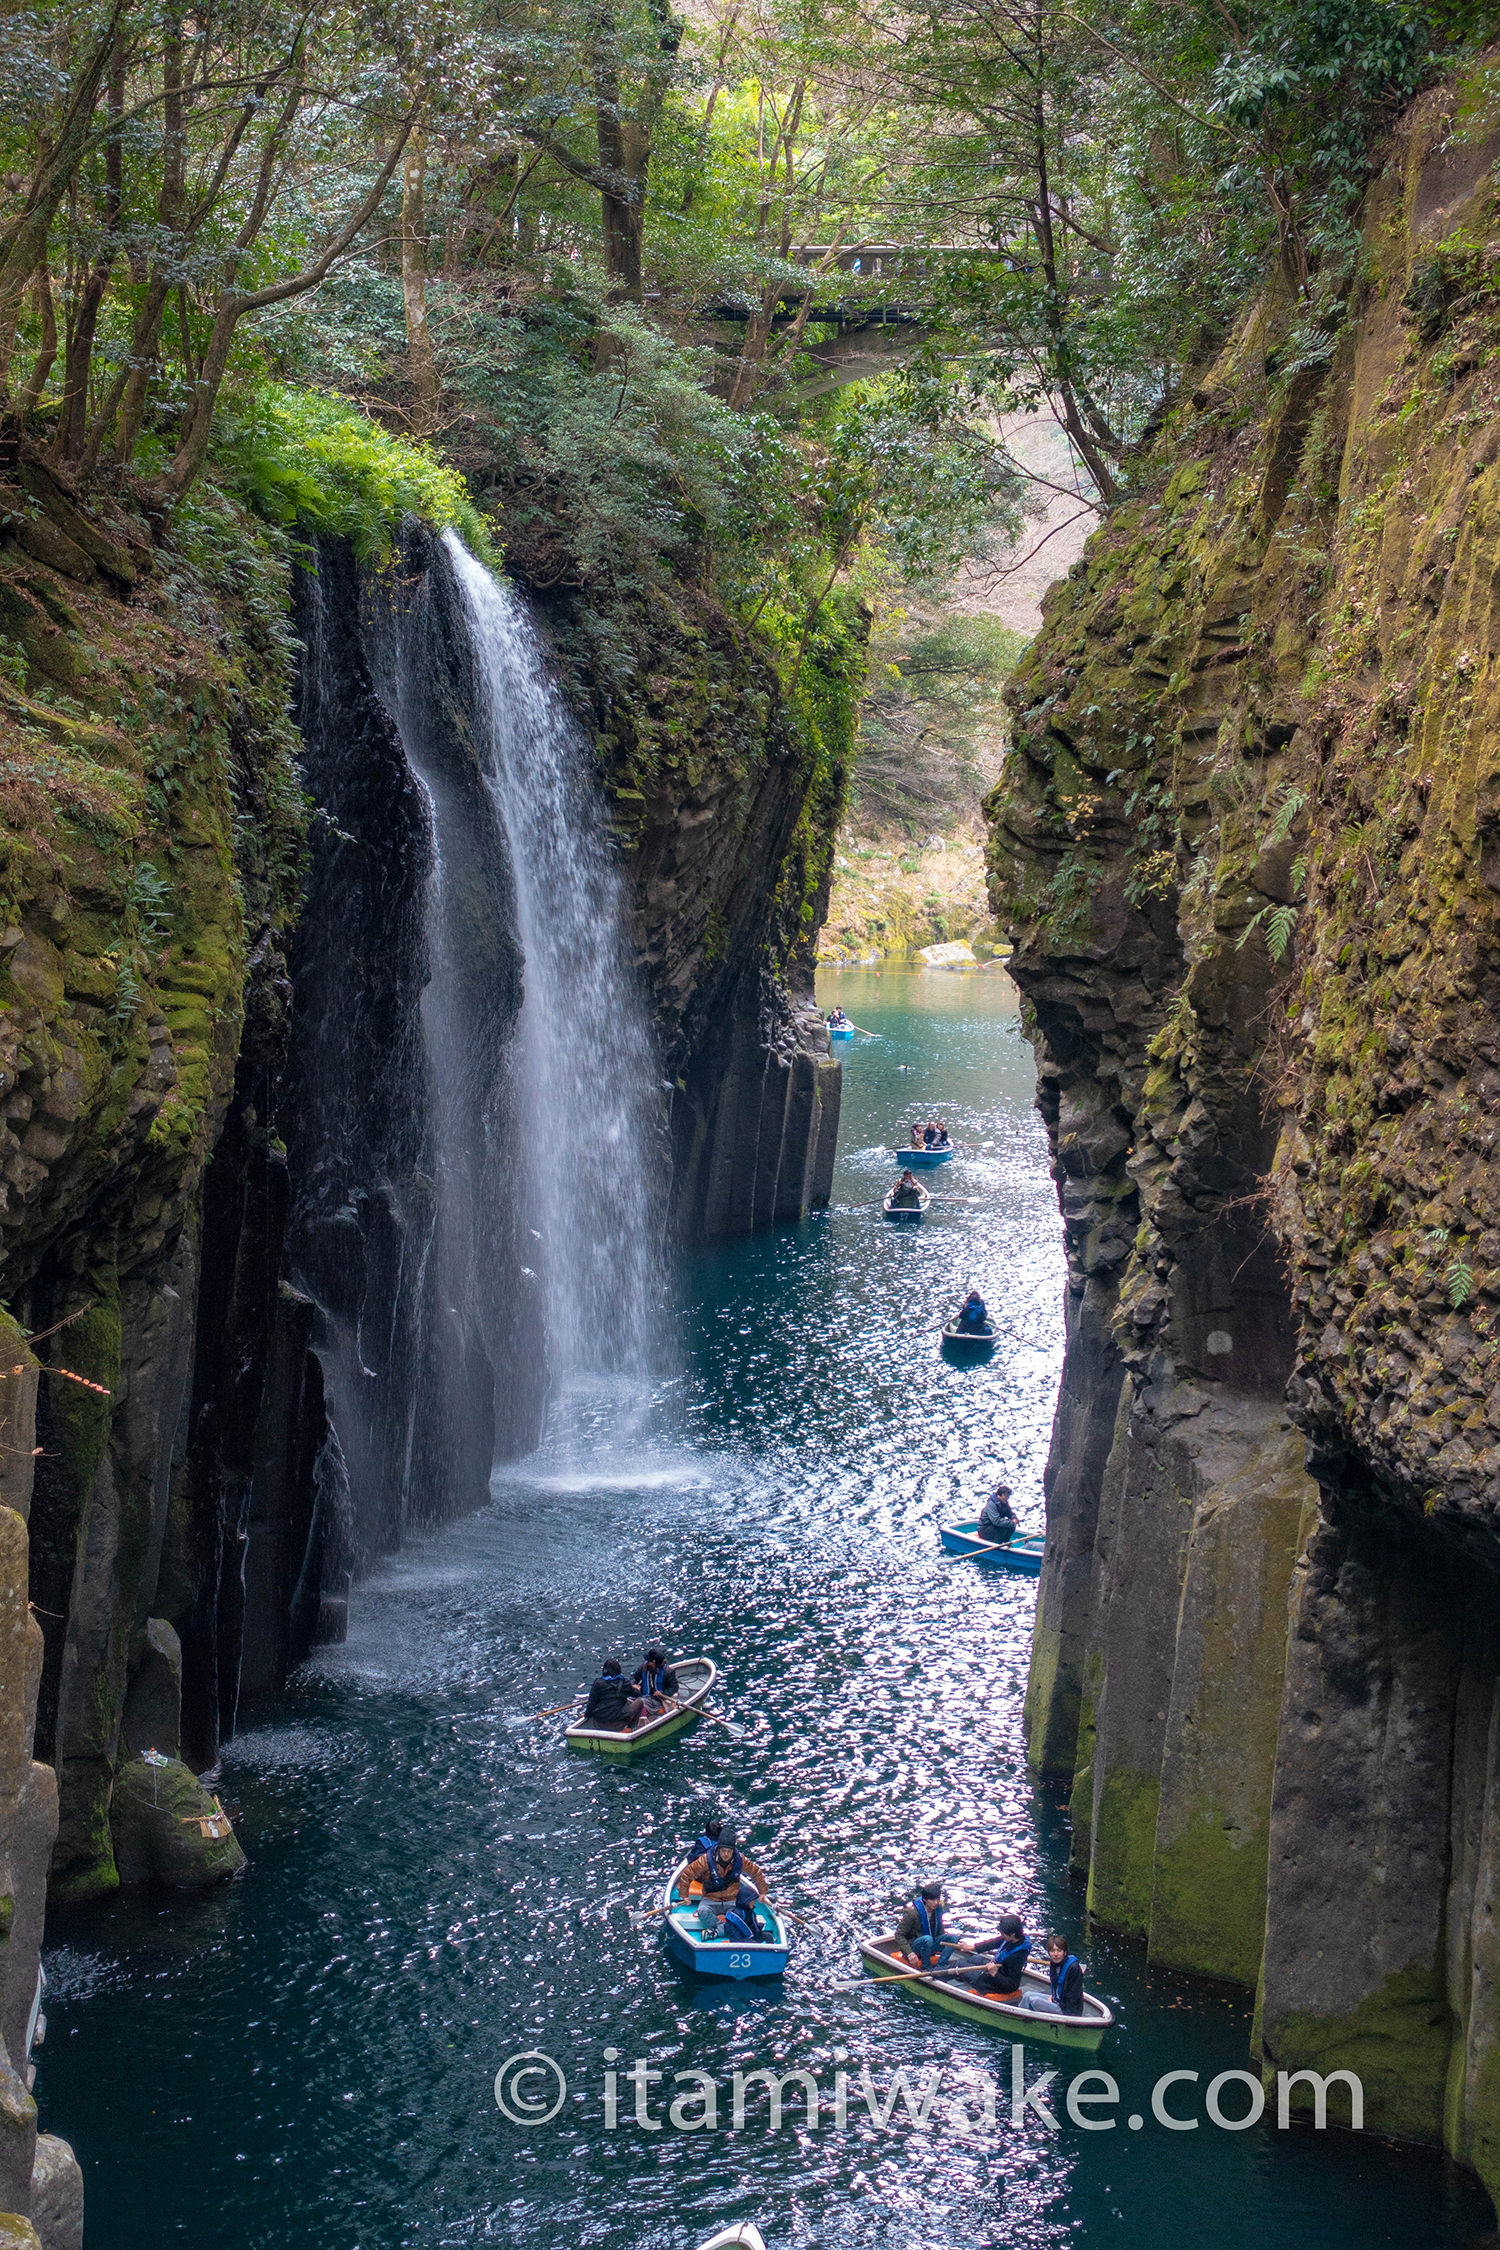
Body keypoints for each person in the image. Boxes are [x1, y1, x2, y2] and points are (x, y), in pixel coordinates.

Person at [953, 1911, 1031, 1999]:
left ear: (1012, 1934)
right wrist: (972, 1947)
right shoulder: (1014, 1939)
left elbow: (1012, 1985)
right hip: (996, 1969)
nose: (1002, 1935)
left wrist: (994, 1973)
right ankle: (962, 1975)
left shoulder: (1017, 1957)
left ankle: (938, 1974)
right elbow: (993, 1943)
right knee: (975, 1958)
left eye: (1003, 1933)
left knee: (959, 1964)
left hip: (993, 1982)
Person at [683, 1825, 770, 1903]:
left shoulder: (741, 1860)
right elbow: (687, 1874)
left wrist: (762, 1892)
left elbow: (756, 1873)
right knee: (703, 1911)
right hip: (710, 1899)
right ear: (718, 1849)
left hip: (731, 1900)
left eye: (729, 1851)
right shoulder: (705, 1860)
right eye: (723, 1851)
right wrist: (684, 1895)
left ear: (733, 1851)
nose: (726, 1854)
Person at [892, 1879, 955, 1972]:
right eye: (932, 1900)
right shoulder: (912, 1914)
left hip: (930, 1945)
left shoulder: (938, 1909)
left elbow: (940, 1930)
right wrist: (909, 1953)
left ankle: (940, 1966)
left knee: (953, 1938)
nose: (936, 1903)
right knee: (927, 1939)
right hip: (915, 1947)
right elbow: (899, 1935)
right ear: (925, 1899)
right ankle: (926, 1968)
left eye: (937, 1899)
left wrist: (945, 1943)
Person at [1020, 1934, 1086, 2016]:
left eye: (1059, 1951)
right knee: (1027, 1995)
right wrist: (1054, 1997)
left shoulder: (1073, 1968)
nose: (1055, 1954)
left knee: (1034, 2001)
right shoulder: (1054, 1963)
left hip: (1067, 2010)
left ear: (1065, 1952)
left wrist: (1056, 2001)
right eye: (1052, 1951)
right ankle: (1021, 2017)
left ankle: (1027, 2018)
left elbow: (1073, 1996)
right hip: (1058, 2000)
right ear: (1049, 1953)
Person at [582, 1658, 643, 1732]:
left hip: (599, 1723)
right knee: (639, 1702)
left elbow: (591, 1704)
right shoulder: (625, 1682)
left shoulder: (598, 1683)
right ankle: (630, 1728)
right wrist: (635, 1688)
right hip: (619, 1724)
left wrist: (586, 1716)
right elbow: (637, 1694)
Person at [633, 1645, 678, 1712]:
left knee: (640, 1702)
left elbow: (674, 1687)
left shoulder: (668, 1672)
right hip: (643, 1695)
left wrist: (662, 1693)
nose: (647, 1662)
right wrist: (633, 1684)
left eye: (649, 1661)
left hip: (657, 1699)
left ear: (654, 1662)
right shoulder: (643, 1667)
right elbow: (634, 1677)